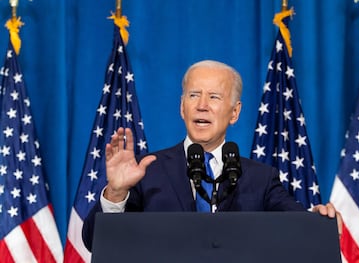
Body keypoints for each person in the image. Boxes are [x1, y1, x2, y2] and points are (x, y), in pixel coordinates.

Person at [82, 60, 341, 251]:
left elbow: (300, 229)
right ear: (182, 107)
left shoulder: (260, 178)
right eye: (194, 95)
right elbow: (95, 243)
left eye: (214, 97)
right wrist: (115, 193)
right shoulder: (147, 170)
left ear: (235, 112)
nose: (202, 105)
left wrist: (320, 220)